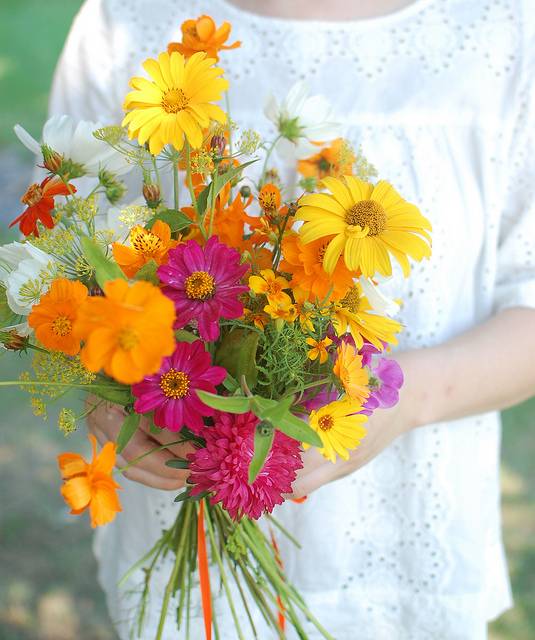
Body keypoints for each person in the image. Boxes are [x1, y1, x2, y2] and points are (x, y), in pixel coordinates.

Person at [47, 0, 535, 638]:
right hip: (179, 519)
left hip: (404, 540)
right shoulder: (126, 19)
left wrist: (396, 401)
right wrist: (107, 398)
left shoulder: (504, 28)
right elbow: (65, 268)